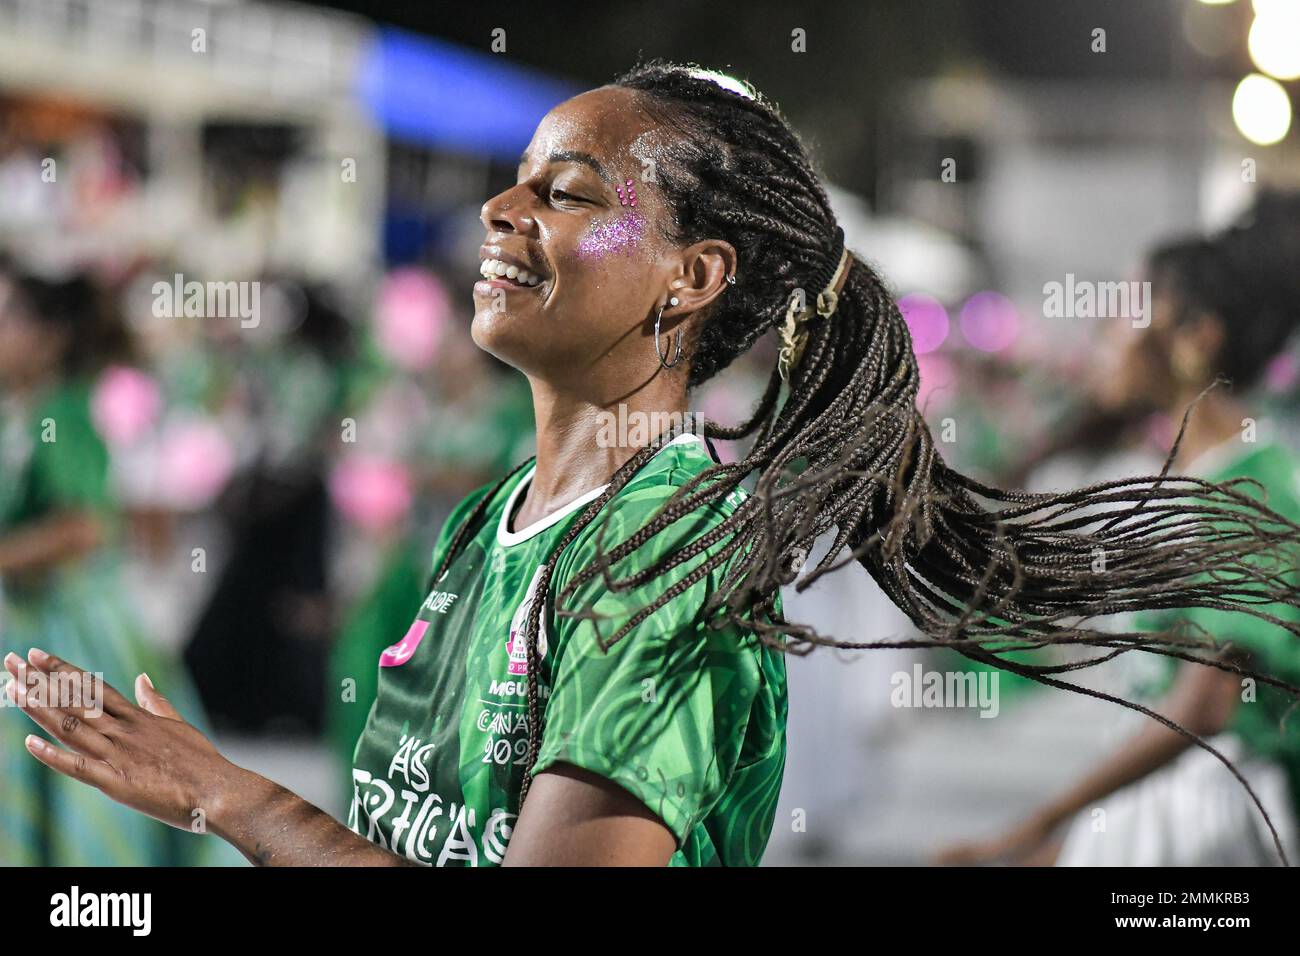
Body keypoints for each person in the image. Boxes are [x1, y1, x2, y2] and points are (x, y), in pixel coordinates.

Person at [4, 63, 1300, 867]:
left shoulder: (667, 556)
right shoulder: (494, 521)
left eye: (564, 193)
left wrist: (233, 800)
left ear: (692, 278)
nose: (501, 215)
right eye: (515, 184)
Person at [936, 192, 1300, 866]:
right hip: (1162, 811)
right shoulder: (1179, 477)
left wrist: (1029, 830)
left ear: (1196, 338)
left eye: (1131, 307)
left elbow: (1202, 711)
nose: (1106, 327)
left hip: (1213, 827)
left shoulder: (1253, 485)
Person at [0, 266, 219, 864]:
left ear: (48, 338)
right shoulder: (19, 412)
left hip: (65, 629)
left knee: (79, 790)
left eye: (7, 317)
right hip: (25, 620)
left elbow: (86, 527)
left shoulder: (66, 415)